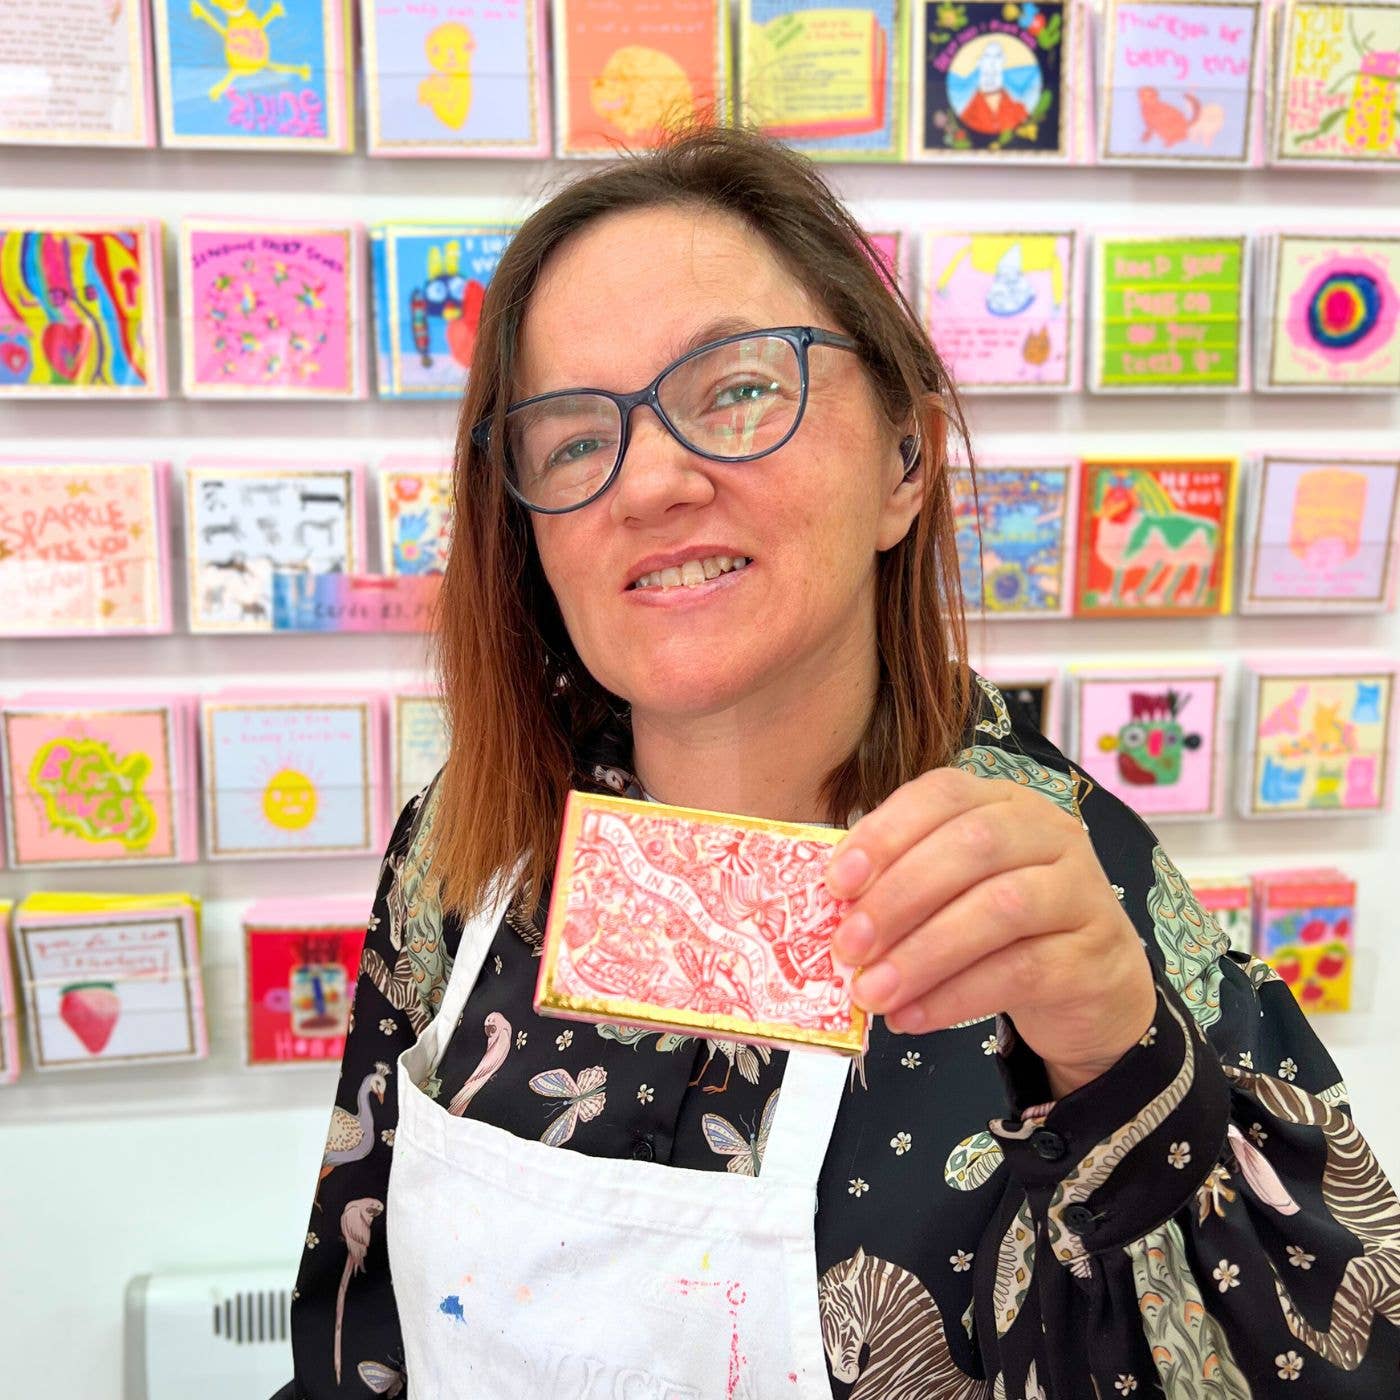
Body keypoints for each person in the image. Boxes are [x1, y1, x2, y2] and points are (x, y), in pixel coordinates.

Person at [278, 127, 1400, 1398]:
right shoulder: (469, 848)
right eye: (574, 437)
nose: (649, 479)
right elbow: (351, 1332)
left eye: (739, 388)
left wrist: (1123, 1076)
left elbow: (1333, 1351)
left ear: (904, 462)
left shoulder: (1068, 904)